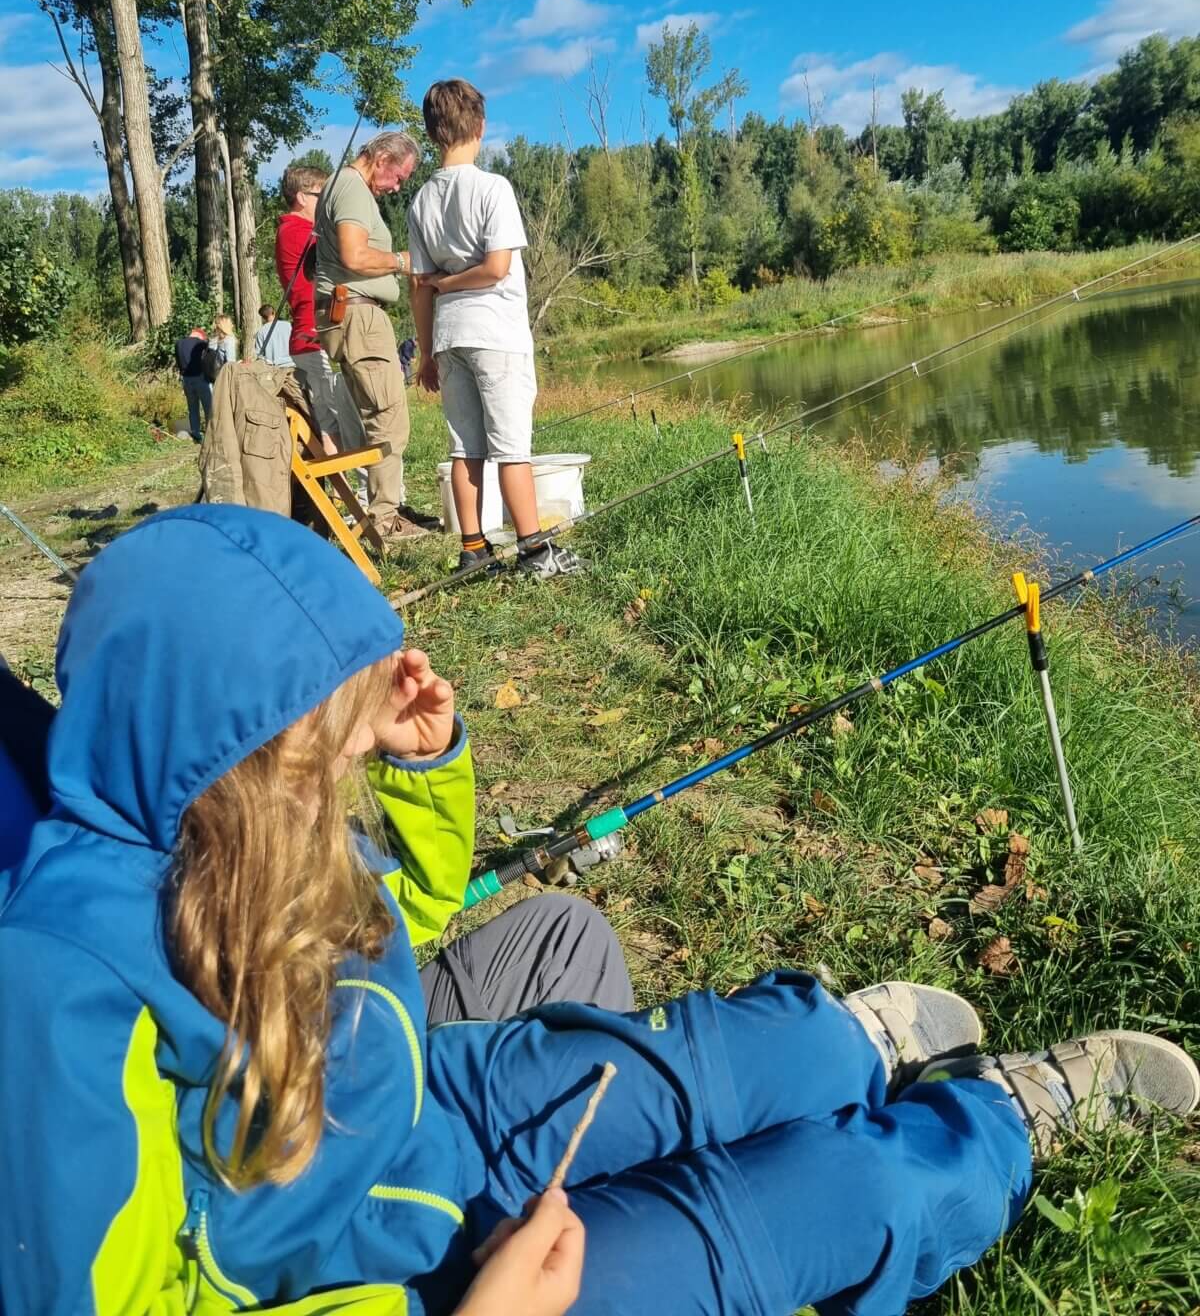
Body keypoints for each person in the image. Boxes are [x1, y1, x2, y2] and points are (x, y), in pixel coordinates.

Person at [3, 504, 1196, 1316]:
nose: (341, 792)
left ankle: (840, 1050)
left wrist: (423, 763)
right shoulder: (54, 987)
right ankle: (1006, 1125)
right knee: (809, 1211)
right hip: (395, 1283)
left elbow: (401, 909)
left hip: (421, 1112)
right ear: (223, 770)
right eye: (328, 763)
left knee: (737, 1050)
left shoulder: (246, 824)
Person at [409, 79, 581, 580]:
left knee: (465, 446)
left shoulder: (420, 201)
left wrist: (425, 352)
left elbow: (421, 285)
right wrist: (450, 282)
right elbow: (496, 267)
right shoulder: (492, 187)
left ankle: (474, 549)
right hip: (495, 333)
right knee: (512, 446)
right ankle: (534, 551)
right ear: (480, 127)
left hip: (450, 337)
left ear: (431, 133)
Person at [315, 131, 421, 540]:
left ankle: (382, 514)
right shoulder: (353, 188)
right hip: (358, 317)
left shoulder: (339, 186)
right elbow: (353, 255)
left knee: (380, 417)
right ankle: (384, 522)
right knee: (389, 420)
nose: (397, 186)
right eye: (399, 176)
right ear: (380, 158)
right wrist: (401, 261)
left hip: (348, 314)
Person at [174, 323, 211, 442]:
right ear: (201, 336)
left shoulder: (178, 343)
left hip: (186, 379)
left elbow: (179, 362)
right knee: (208, 407)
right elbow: (208, 359)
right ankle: (211, 432)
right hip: (200, 378)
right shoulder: (201, 344)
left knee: (193, 408)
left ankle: (195, 433)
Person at [205, 312, 239, 380]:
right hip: (225, 377)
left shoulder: (213, 341)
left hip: (214, 375)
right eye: (230, 324)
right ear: (226, 326)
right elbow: (230, 364)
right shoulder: (229, 340)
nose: (232, 325)